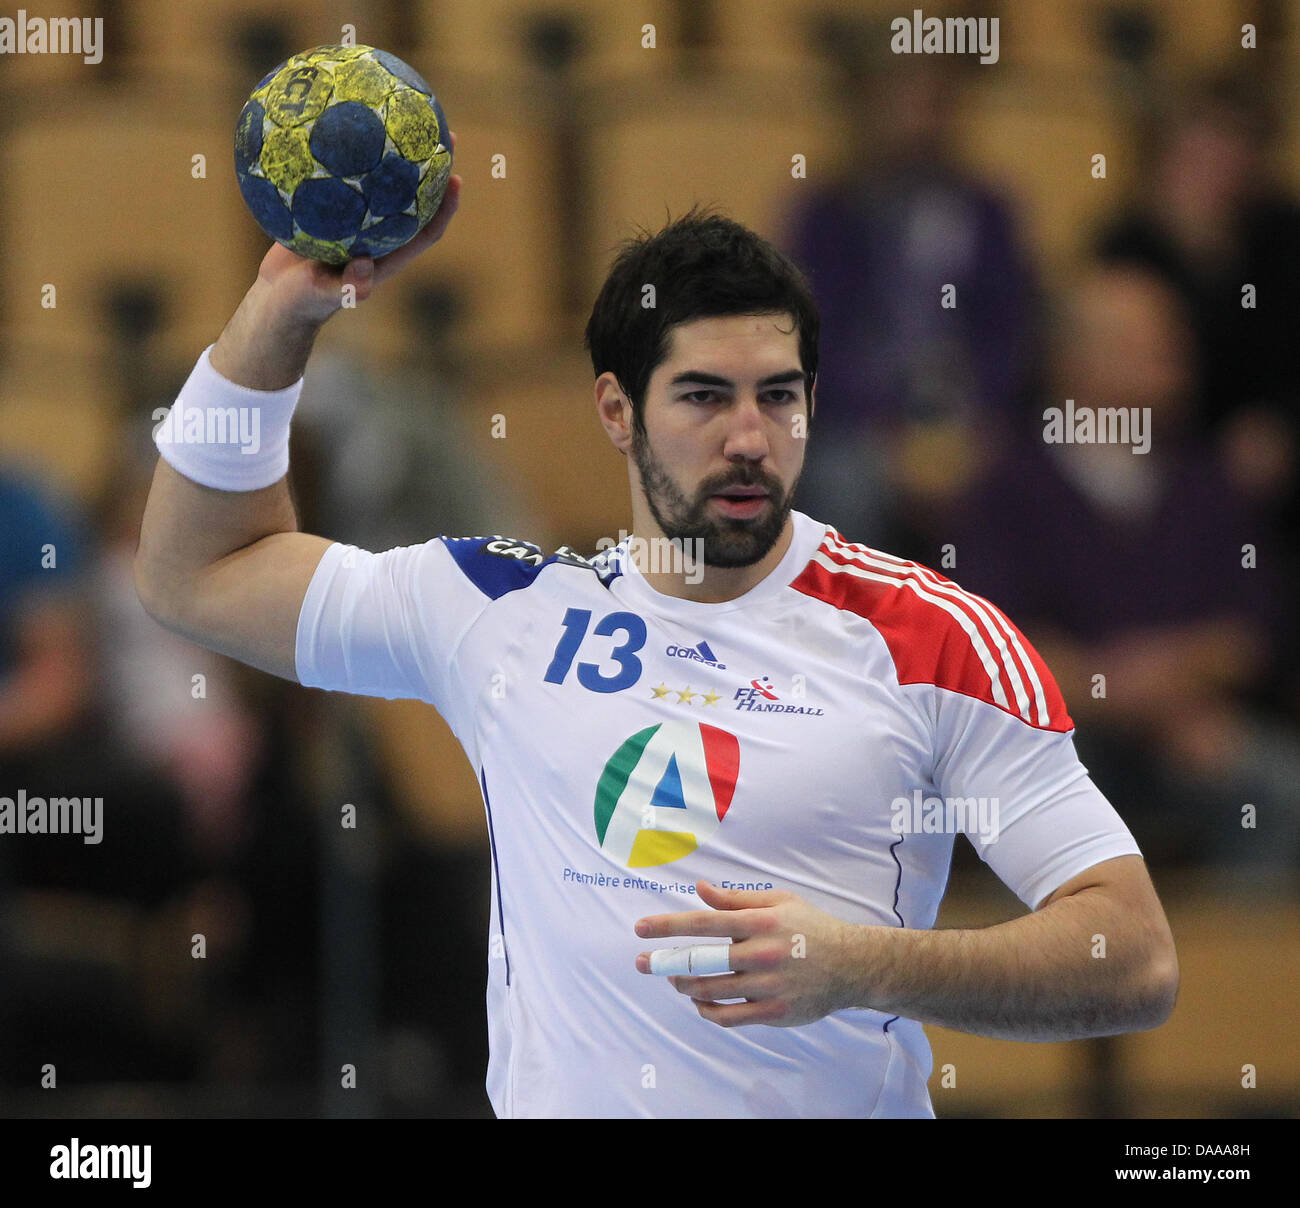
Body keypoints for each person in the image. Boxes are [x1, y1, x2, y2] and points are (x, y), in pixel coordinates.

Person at [134, 161, 1179, 1117]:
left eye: (778, 397)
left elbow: (1130, 955)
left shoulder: (930, 636)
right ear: (615, 411)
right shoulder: (502, 608)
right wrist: (281, 312)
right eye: (702, 397)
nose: (746, 437)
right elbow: (195, 572)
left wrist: (865, 965)